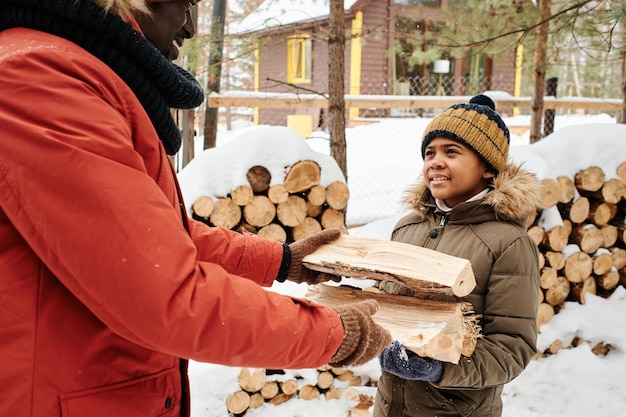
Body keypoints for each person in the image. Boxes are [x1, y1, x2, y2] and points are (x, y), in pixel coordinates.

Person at [0, 1, 391, 416]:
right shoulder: (42, 79)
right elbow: (158, 290)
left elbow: (154, 239)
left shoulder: (71, 69)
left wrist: (281, 260)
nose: (189, 27)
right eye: (185, 3)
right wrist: (330, 333)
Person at [373, 94, 542, 417]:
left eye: (452, 152)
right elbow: (388, 311)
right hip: (390, 407)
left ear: (488, 169)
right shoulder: (406, 229)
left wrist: (438, 368)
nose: (435, 162)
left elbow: (512, 348)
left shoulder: (508, 243)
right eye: (429, 153)